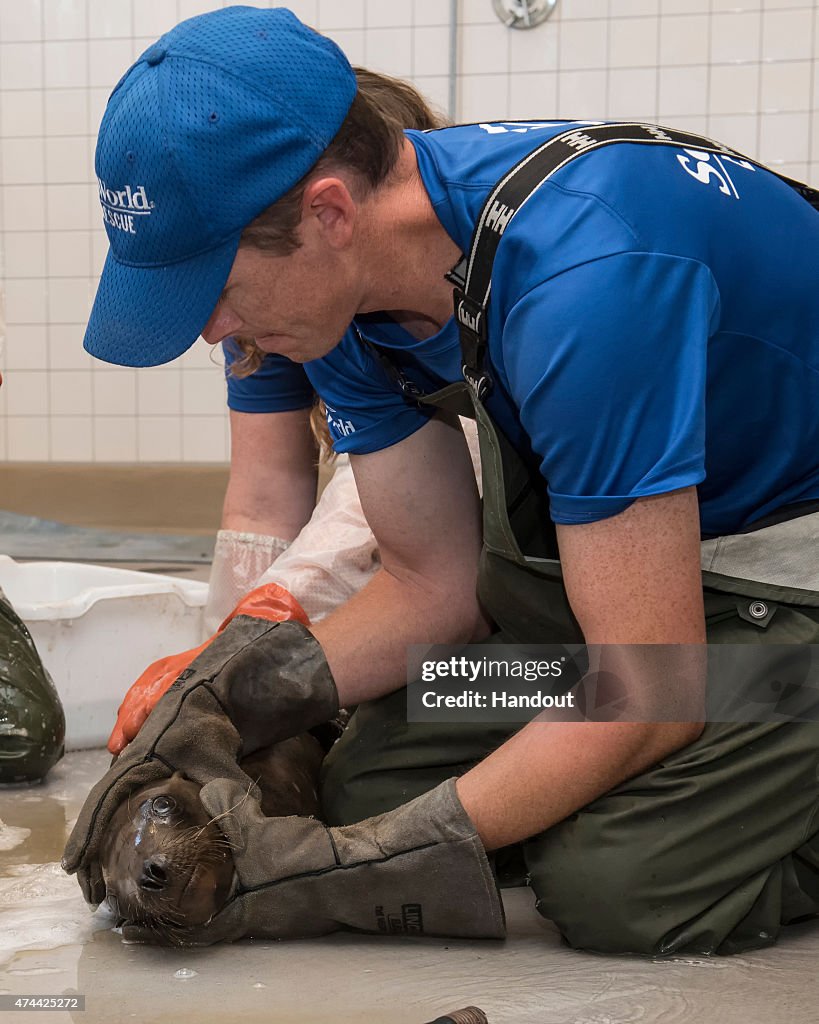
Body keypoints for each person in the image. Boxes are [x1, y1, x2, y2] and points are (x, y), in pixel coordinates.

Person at [64, 7, 819, 956]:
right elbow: (435, 585)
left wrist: (347, 871)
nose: (213, 330)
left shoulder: (588, 278)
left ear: (328, 213)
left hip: (782, 609)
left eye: (211, 287)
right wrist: (235, 693)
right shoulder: (348, 298)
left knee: (616, 884)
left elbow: (652, 679)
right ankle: (703, 773)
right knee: (376, 781)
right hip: (663, 602)